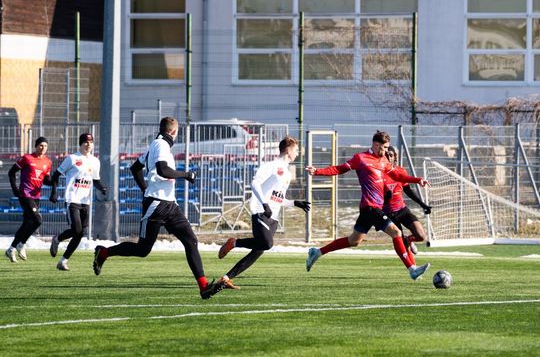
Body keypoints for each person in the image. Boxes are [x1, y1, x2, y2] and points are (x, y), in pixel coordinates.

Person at [92, 117, 222, 300]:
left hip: (170, 205)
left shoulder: (157, 145)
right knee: (143, 250)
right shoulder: (160, 144)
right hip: (157, 205)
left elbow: (135, 168)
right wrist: (186, 174)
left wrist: (145, 189)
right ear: (173, 132)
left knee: (191, 240)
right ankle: (104, 252)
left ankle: (204, 287)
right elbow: (162, 170)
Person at [305, 130, 431, 280]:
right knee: (396, 233)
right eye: (384, 147)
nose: (386, 151)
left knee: (354, 240)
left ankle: (317, 252)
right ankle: (412, 269)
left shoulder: (383, 161)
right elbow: (339, 168)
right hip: (370, 207)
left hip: (371, 209)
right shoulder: (361, 158)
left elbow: (397, 175)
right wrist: (317, 171)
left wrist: (417, 180)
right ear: (376, 144)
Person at [215, 136, 310, 290]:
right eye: (296, 150)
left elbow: (278, 198)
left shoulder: (286, 173)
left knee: (259, 249)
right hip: (261, 211)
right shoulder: (271, 166)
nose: (298, 153)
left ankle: (225, 279)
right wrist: (264, 204)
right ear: (288, 150)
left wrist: (294, 203)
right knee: (267, 244)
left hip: (273, 217)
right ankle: (234, 243)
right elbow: (255, 183)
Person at [49, 133, 107, 271]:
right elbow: (56, 174)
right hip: (72, 199)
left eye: (91, 142)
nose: (88, 144)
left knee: (79, 233)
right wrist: (54, 192)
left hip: (85, 201)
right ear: (80, 143)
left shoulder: (95, 161)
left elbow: (95, 180)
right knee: (77, 230)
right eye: (86, 142)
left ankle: (62, 259)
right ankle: (58, 241)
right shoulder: (72, 158)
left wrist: (102, 188)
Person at [5, 137, 53, 262]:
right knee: (37, 220)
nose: (43, 148)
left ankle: (11, 248)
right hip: (25, 194)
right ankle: (21, 244)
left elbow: (46, 180)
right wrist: (15, 189)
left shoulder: (48, 162)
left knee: (27, 223)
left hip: (36, 196)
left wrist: (54, 181)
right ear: (36, 146)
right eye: (41, 145)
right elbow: (11, 172)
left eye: (45, 146)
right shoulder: (27, 158)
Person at [383, 146, 431, 255]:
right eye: (385, 155)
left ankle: (408, 239)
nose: (388, 157)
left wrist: (422, 204)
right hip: (388, 214)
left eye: (390, 155)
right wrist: (386, 198)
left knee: (421, 236)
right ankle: (412, 264)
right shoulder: (379, 173)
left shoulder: (400, 171)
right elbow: (376, 197)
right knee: (401, 243)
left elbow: (408, 190)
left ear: (395, 157)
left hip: (402, 210)